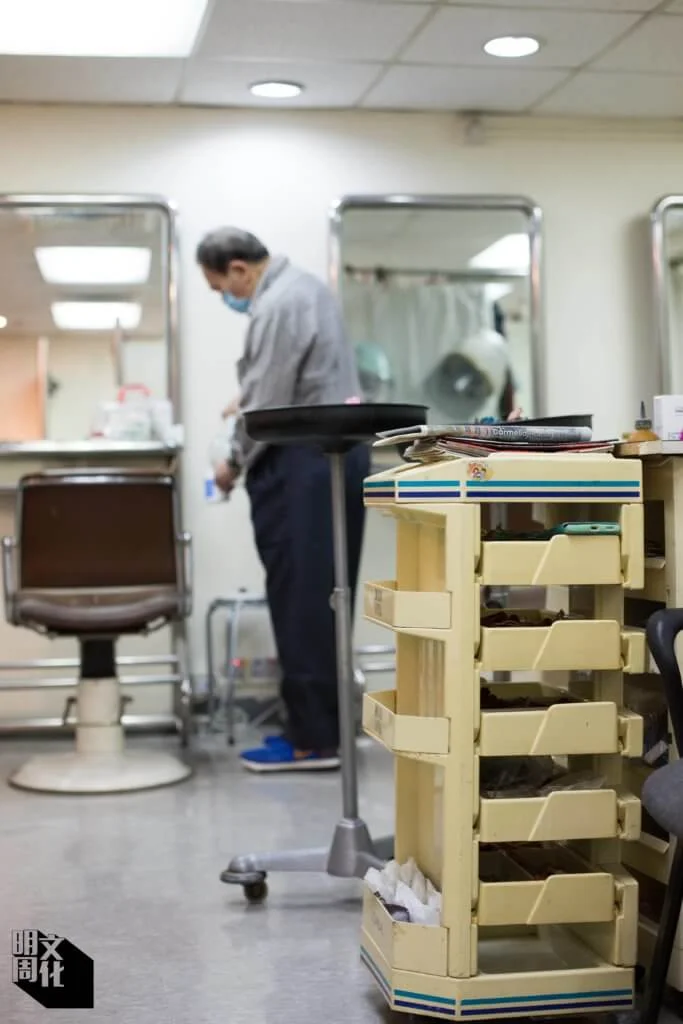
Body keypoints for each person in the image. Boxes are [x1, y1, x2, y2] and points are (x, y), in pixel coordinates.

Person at [196, 227, 370, 773]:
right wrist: (246, 396)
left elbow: (267, 407)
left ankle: (312, 741)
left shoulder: (276, 305)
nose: (226, 297)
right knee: (326, 599)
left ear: (239, 269)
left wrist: (230, 464)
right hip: (333, 457)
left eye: (220, 287)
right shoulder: (308, 290)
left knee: (301, 601)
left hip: (302, 463)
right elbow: (298, 378)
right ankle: (326, 729)